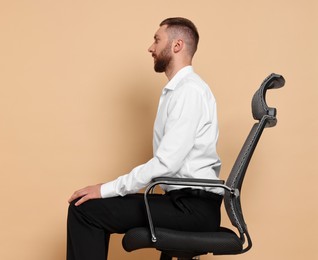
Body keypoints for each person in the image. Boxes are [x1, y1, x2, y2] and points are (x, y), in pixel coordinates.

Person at [67, 17, 223, 260]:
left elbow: (165, 164)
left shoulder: (189, 91)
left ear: (177, 45)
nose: (150, 47)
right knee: (85, 207)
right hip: (182, 203)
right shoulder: (180, 91)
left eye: (157, 40)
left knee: (85, 211)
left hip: (192, 209)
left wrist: (106, 189)